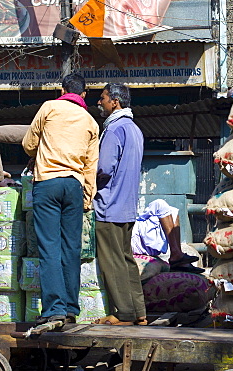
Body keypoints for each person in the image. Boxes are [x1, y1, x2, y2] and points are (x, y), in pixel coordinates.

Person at [21, 73, 99, 325]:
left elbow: (28, 143)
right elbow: (90, 165)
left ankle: (54, 308)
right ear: (84, 94)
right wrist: (88, 197)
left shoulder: (49, 107)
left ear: (62, 89)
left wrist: (42, 149)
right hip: (74, 186)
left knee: (49, 248)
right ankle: (70, 308)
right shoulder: (91, 122)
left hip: (47, 183)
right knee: (71, 249)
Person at [94, 83, 146, 326]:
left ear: (115, 101)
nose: (99, 103)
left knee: (111, 261)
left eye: (103, 98)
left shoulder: (114, 129)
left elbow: (104, 168)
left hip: (110, 205)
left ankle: (123, 312)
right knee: (126, 260)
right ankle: (139, 312)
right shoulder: (134, 129)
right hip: (127, 206)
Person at [132, 199, 202, 273]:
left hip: (137, 233)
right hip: (135, 238)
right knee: (159, 204)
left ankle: (177, 255)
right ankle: (176, 254)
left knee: (172, 211)